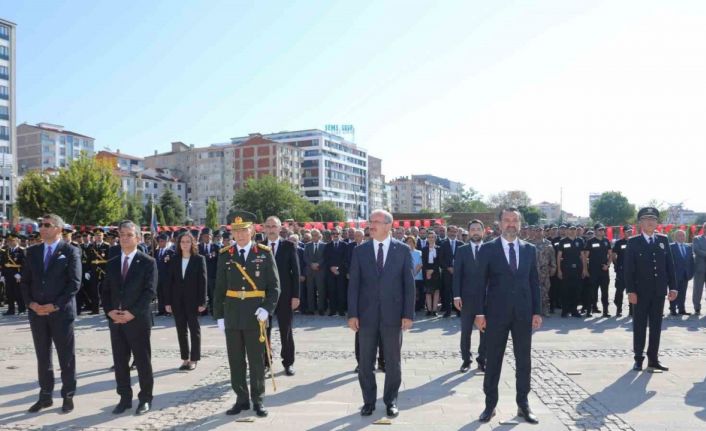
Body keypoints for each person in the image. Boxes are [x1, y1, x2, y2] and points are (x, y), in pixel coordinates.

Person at [472, 208, 541, 424]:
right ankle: (490, 405)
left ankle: (523, 404)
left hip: (523, 314)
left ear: (520, 224)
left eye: (515, 220)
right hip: (495, 314)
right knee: (493, 360)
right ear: (500, 224)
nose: (511, 224)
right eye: (507, 220)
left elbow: (534, 283)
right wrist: (479, 313)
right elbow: (479, 283)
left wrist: (537, 311)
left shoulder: (530, 249)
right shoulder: (488, 249)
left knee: (524, 360)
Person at [348, 209, 415, 419]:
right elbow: (354, 286)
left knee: (393, 361)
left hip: (393, 316)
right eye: (370, 221)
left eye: (376, 221)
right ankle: (368, 401)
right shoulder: (360, 251)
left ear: (388, 225)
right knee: (365, 361)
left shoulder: (402, 250)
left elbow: (409, 285)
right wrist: (352, 314)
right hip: (366, 316)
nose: (371, 225)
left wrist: (408, 314)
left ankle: (391, 401)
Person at [214, 217, 280, 418]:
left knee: (256, 360)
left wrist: (267, 309)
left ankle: (258, 399)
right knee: (235, 359)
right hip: (233, 314)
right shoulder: (226, 255)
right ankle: (241, 399)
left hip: (255, 314)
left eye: (244, 230)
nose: (240, 235)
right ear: (232, 233)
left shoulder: (264, 253)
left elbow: (274, 287)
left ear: (252, 231)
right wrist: (219, 316)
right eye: (236, 231)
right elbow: (219, 288)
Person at [20, 214, 81, 414]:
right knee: (43, 356)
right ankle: (45, 395)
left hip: (60, 313)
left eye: (47, 225)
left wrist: (55, 305)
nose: (42, 229)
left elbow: (74, 283)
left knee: (66, 357)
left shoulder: (70, 251)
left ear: (58, 229)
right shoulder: (32, 252)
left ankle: (68, 395)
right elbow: (25, 282)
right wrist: (31, 303)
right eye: (41, 225)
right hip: (37, 313)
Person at [102, 220, 158, 415]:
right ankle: (124, 398)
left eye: (129, 234)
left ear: (138, 238)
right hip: (116, 321)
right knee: (120, 361)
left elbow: (149, 292)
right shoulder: (112, 262)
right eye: (122, 235)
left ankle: (145, 398)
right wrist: (109, 311)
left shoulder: (148, 262)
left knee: (142, 361)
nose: (124, 238)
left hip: (137, 320)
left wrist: (131, 313)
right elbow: (105, 291)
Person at [624, 207, 678, 372]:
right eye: (646, 219)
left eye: (653, 219)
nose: (650, 222)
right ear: (640, 223)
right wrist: (630, 291)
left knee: (656, 325)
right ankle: (638, 358)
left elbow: (670, 266)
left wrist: (674, 287)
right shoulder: (633, 242)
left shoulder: (663, 240)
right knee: (639, 325)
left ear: (657, 223)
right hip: (640, 293)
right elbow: (628, 269)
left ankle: (653, 358)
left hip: (658, 292)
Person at [261, 216, 300, 376]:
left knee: (286, 330)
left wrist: (296, 296)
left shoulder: (288, 246)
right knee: (264, 331)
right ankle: (265, 362)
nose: (271, 229)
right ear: (264, 228)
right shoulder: (259, 247)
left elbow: (296, 273)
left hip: (285, 295)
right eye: (268, 226)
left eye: (274, 226)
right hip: (263, 296)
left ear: (279, 228)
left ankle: (288, 362)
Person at [165, 232, 207, 370]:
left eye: (188, 241)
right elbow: (169, 282)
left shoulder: (199, 259)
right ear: (179, 244)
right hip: (177, 301)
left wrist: (202, 302)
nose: (185, 244)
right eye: (182, 241)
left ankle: (194, 359)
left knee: (194, 330)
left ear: (192, 243)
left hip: (194, 301)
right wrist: (167, 302)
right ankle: (185, 358)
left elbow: (203, 282)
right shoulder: (174, 259)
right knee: (181, 330)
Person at [452, 219, 487, 373]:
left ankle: (482, 360)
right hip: (466, 299)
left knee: (485, 330)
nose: (475, 232)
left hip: (486, 299)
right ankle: (466, 360)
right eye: (472, 229)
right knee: (465, 331)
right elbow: (457, 275)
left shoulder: (490, 249)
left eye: (478, 229)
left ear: (483, 231)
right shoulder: (461, 250)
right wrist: (456, 296)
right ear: (468, 232)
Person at [584, 224, 612, 317]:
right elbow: (585, 256)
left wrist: (607, 265)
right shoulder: (590, 241)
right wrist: (585, 269)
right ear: (595, 231)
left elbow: (610, 255)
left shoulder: (606, 241)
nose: (601, 231)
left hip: (604, 270)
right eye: (599, 230)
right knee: (591, 291)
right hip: (593, 270)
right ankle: (589, 310)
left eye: (603, 230)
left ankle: (605, 311)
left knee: (605, 291)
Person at [557, 225, 585, 318]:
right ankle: (565, 310)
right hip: (566, 269)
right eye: (571, 229)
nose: (573, 231)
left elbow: (582, 255)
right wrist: (559, 270)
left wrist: (584, 269)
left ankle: (574, 310)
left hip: (577, 269)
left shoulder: (580, 241)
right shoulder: (563, 241)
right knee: (565, 290)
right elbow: (559, 256)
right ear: (567, 230)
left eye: (574, 229)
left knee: (576, 290)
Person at [531, 226, 556, 317]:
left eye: (540, 231)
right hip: (533, 272)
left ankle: (545, 309)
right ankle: (535, 310)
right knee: (533, 291)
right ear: (534, 232)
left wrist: (553, 268)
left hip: (545, 271)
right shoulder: (530, 244)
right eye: (536, 231)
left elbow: (552, 257)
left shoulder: (548, 244)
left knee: (545, 291)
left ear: (543, 232)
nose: (538, 232)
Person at [323, 227, 348, 316]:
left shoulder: (345, 245)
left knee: (341, 291)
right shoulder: (327, 246)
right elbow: (325, 259)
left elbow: (345, 259)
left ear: (340, 234)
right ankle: (333, 310)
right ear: (331, 235)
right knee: (331, 291)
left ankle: (341, 310)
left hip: (341, 272)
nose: (335, 235)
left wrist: (338, 268)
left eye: (337, 233)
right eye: (333, 233)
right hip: (330, 272)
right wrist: (331, 268)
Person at [669, 229, 694, 315]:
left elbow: (691, 261)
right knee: (673, 292)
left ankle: (681, 309)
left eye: (683, 235)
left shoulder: (688, 247)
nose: (681, 237)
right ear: (675, 237)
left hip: (685, 274)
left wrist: (691, 273)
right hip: (674, 275)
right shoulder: (671, 247)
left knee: (683, 293)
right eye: (679, 235)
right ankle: (672, 309)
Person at [439, 225, 462, 317]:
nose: (453, 233)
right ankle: (448, 311)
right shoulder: (443, 244)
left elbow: (463, 259)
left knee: (458, 291)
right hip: (447, 272)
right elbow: (441, 259)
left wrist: (456, 268)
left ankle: (459, 310)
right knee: (447, 292)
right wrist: (448, 268)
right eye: (451, 231)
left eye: (455, 232)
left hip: (458, 272)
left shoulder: (461, 244)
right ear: (448, 232)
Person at [1, 233, 26, 315]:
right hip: (8, 275)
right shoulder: (6, 251)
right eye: (8, 241)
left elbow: (25, 265)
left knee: (18, 293)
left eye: (12, 240)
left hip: (18, 276)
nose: (10, 242)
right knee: (9, 293)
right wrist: (2, 275)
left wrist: (20, 274)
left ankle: (21, 309)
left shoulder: (22, 250)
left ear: (17, 240)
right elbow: (4, 264)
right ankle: (11, 310)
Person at [612, 225, 634, 317]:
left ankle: (632, 310)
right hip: (621, 271)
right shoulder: (619, 243)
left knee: (632, 290)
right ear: (624, 232)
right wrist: (617, 266)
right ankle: (619, 309)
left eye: (630, 231)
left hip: (633, 271)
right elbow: (613, 255)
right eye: (627, 231)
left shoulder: (635, 242)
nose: (629, 233)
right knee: (619, 291)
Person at [303, 229, 326, 315]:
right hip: (310, 271)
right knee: (310, 290)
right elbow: (305, 257)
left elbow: (325, 257)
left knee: (321, 290)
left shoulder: (324, 245)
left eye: (316, 235)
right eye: (313, 235)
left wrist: (318, 264)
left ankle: (321, 309)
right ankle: (311, 309)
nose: (314, 237)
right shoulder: (307, 246)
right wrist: (311, 264)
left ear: (319, 236)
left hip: (320, 271)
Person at [198, 228, 219, 315]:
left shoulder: (216, 247)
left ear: (211, 237)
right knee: (202, 294)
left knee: (212, 294)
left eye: (208, 236)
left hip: (212, 275)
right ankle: (203, 311)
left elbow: (218, 262)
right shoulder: (198, 247)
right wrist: (209, 256)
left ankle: (213, 311)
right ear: (202, 237)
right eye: (205, 236)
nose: (207, 238)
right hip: (201, 275)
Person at [421, 231, 442, 316]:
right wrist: (427, 271)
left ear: (435, 238)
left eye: (432, 237)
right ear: (427, 238)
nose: (431, 239)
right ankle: (429, 310)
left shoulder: (439, 248)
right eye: (429, 237)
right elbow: (423, 261)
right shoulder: (424, 249)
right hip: (426, 271)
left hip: (436, 271)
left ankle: (434, 310)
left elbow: (439, 261)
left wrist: (432, 270)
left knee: (436, 291)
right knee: (428, 291)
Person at [155, 233, 175, 316]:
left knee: (167, 294)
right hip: (158, 276)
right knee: (159, 293)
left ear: (167, 242)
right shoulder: (155, 252)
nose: (160, 243)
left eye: (162, 241)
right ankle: (161, 310)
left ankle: (168, 311)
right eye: (159, 241)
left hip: (167, 277)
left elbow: (172, 266)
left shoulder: (171, 252)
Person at [405, 235, 424, 312]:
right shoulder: (404, 253)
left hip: (417, 276)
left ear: (414, 243)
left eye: (411, 242)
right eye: (407, 242)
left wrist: (414, 273)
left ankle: (418, 307)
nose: (409, 243)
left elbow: (420, 264)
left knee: (418, 292)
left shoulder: (419, 252)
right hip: (407, 276)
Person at [691, 223, 706, 314]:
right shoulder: (697, 239)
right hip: (700, 268)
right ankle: (697, 307)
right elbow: (696, 250)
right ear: (703, 228)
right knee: (698, 289)